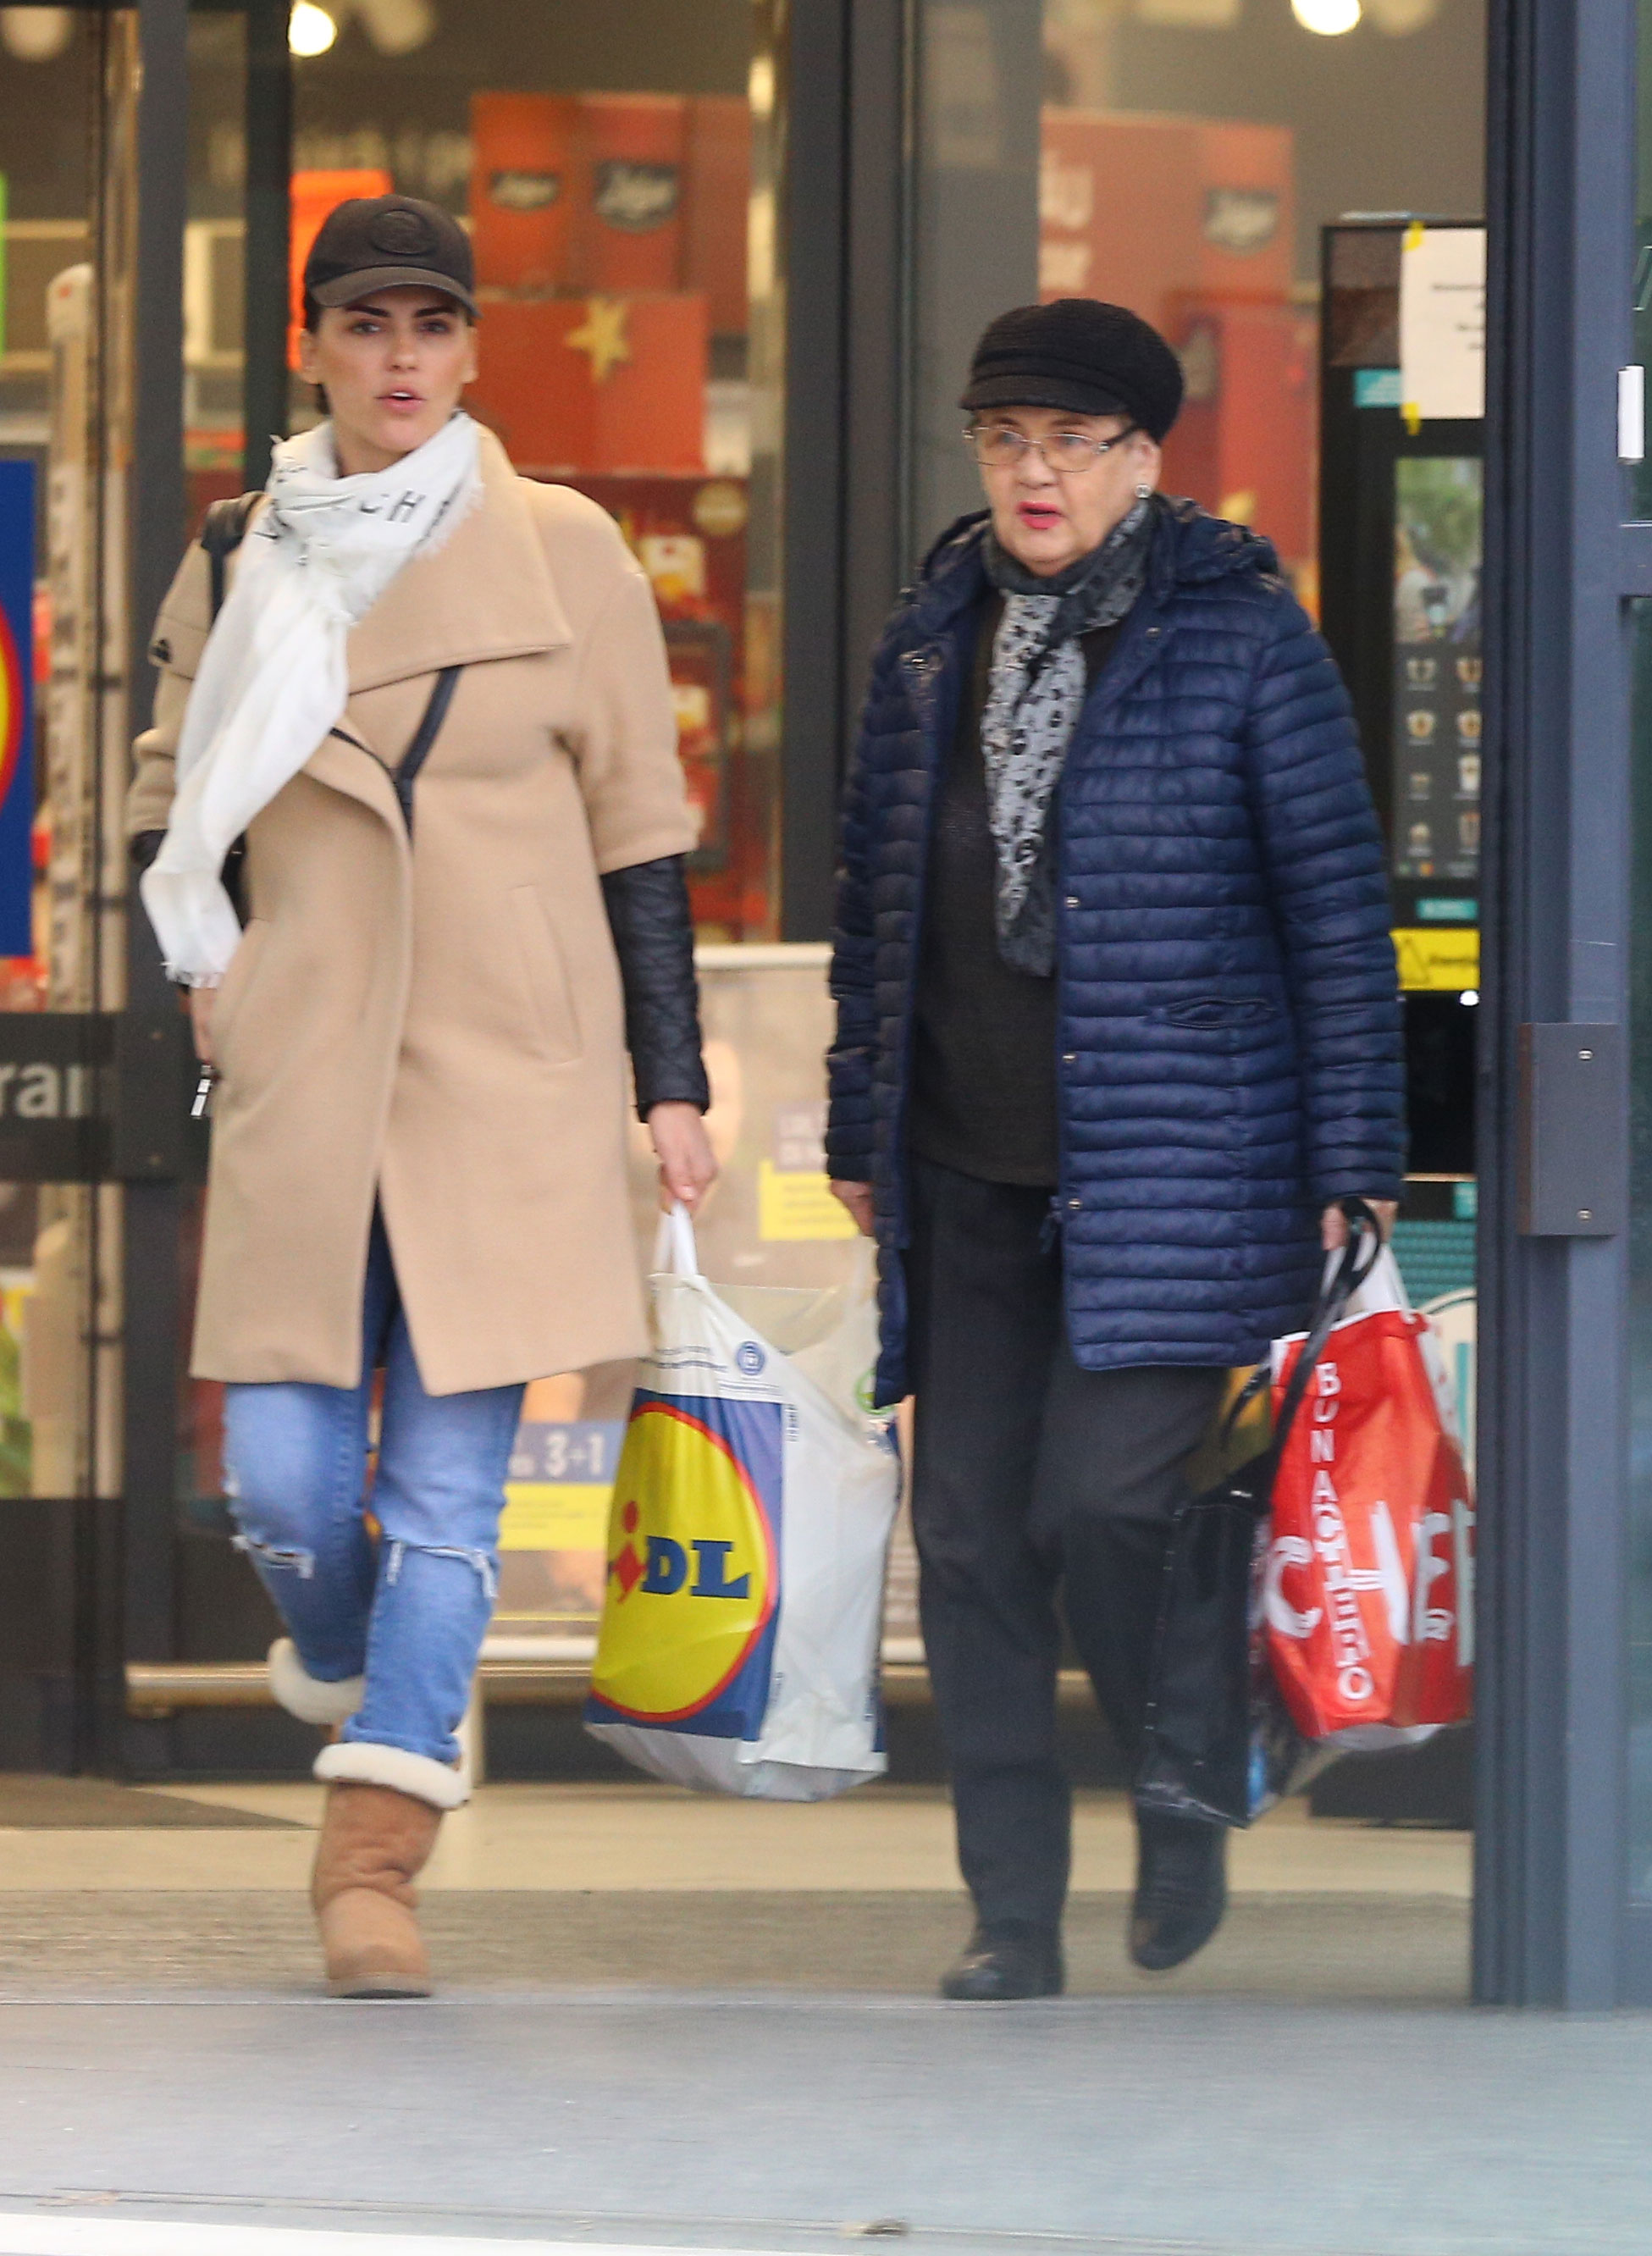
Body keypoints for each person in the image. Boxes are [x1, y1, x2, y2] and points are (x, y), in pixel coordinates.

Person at [128, 195, 716, 1998]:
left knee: (450, 1497)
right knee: (284, 1484)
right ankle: (356, 1665)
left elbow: (641, 834)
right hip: (309, 1061)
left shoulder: (564, 550)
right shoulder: (240, 551)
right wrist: (211, 971)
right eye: (365, 325)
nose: (399, 359)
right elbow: (165, 785)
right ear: (308, 345)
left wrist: (672, 1084)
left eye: (431, 326)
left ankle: (371, 1869)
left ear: (470, 349)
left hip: (504, 1072)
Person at [826, 299, 1403, 2001]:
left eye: (1072, 443)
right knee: (971, 1542)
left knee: (1101, 1508)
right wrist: (861, 1120)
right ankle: (1012, 1914)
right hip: (963, 1169)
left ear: (1145, 460)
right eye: (1006, 439)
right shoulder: (931, 635)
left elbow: (1337, 916)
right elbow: (874, 912)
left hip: (1178, 1166)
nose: (1035, 472)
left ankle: (1186, 1778)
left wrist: (1354, 1151)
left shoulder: (1243, 638)